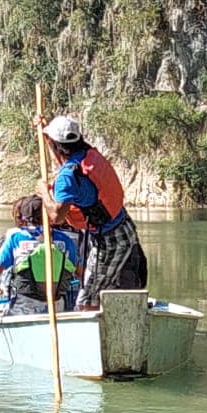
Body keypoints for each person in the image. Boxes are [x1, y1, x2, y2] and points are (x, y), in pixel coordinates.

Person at [37, 115, 147, 311]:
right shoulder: (88, 153)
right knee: (112, 288)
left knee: (87, 301)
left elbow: (56, 216)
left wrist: (44, 192)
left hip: (109, 241)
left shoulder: (66, 178)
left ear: (54, 144)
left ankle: (97, 336)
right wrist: (43, 129)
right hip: (125, 226)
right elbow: (59, 151)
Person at [0, 194, 83, 315]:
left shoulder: (16, 238)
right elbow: (79, 273)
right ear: (48, 215)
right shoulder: (65, 240)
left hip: (23, 307)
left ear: (23, 217)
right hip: (56, 306)